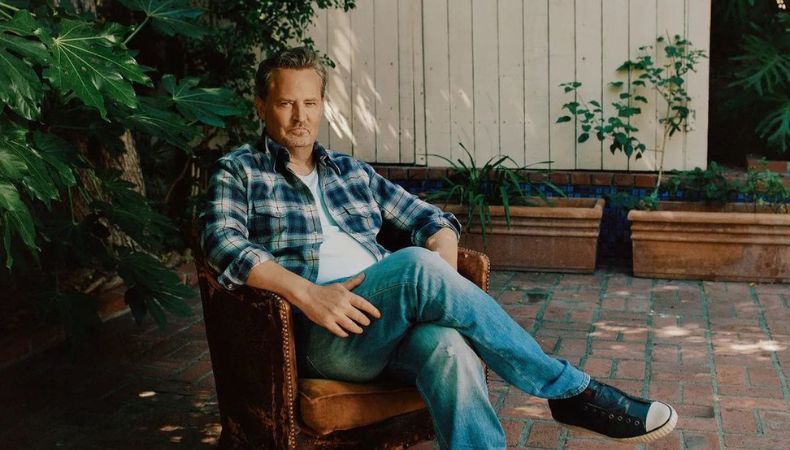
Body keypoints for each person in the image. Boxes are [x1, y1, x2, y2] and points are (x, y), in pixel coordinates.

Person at [201, 46, 678, 449]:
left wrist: (441, 278)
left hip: (387, 319)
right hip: (319, 332)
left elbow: (433, 220)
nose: (300, 116)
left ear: (323, 104)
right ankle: (571, 391)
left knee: (449, 348)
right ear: (261, 106)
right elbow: (222, 242)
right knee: (414, 265)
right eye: (286, 103)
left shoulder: (351, 172)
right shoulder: (239, 170)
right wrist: (307, 294)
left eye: (310, 102)